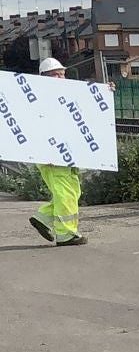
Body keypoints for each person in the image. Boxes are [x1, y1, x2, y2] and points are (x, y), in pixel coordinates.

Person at [28, 58, 87, 247]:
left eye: (62, 74)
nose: (60, 78)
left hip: (67, 153)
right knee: (65, 193)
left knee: (72, 192)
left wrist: (107, 91)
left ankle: (43, 217)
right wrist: (49, 152)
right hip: (52, 155)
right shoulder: (38, 98)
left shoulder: (65, 95)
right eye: (55, 75)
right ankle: (66, 234)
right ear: (43, 77)